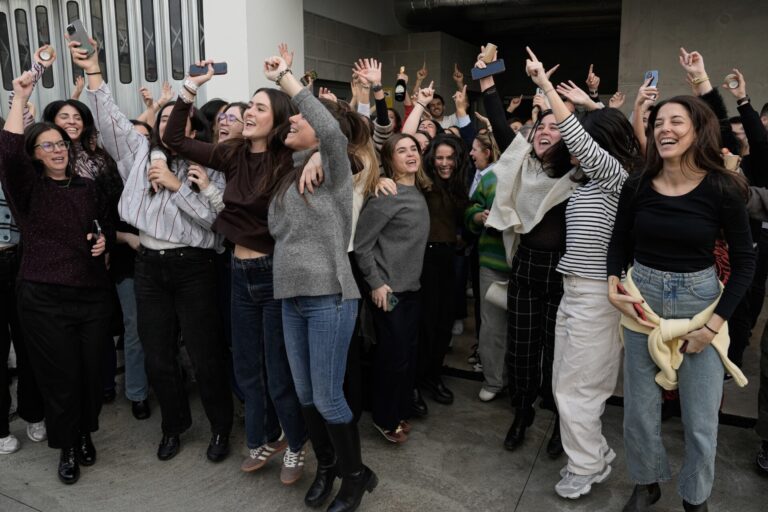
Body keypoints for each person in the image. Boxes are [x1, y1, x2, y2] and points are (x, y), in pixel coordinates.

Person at [71, 38, 234, 463]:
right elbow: (109, 123)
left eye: (175, 123)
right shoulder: (139, 154)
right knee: (157, 352)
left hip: (195, 266)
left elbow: (215, 225)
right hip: (149, 267)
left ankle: (220, 427)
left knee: (205, 353)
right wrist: (93, 70)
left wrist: (181, 187)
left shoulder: (212, 167)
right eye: (161, 121)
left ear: (192, 130)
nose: (165, 128)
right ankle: (174, 426)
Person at [606, 70, 756, 512]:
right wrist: (613, 284)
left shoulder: (722, 188)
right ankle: (646, 481)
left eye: (676, 122)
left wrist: (712, 327)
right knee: (638, 411)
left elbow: (746, 264)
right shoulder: (636, 185)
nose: (664, 129)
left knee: (700, 418)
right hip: (642, 302)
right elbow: (618, 242)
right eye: (658, 123)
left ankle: (695, 496)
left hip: (701, 304)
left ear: (697, 131)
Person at [162, 59, 307, 483]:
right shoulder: (232, 154)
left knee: (278, 372)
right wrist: (191, 85)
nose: (249, 112)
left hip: (275, 273)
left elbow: (341, 146)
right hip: (238, 273)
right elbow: (174, 137)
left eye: (260, 108)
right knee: (246, 368)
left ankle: (296, 445)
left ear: (277, 119)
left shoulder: (290, 160)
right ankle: (261, 440)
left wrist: (288, 82)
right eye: (249, 107)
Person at [524, 48, 643, 498]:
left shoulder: (616, 176)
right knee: (566, 385)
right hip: (573, 291)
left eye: (582, 144)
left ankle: (586, 465)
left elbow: (584, 140)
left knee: (580, 390)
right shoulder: (589, 181)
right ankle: (594, 455)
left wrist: (547, 88)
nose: (572, 151)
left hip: (598, 295)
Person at [264, 52, 380, 511]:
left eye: (300, 116)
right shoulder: (290, 172)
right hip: (290, 299)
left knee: (330, 397)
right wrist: (306, 154)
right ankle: (329, 466)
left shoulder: (336, 168)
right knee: (307, 395)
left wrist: (286, 79)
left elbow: (334, 132)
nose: (291, 120)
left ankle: (354, 476)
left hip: (329, 298)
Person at [1, 70, 113, 484]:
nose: (57, 149)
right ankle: (67, 446)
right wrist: (19, 98)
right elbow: (9, 151)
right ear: (35, 154)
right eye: (46, 145)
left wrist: (104, 244)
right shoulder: (28, 189)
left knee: (88, 372)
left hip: (92, 295)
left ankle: (85, 432)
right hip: (44, 297)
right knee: (61, 376)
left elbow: (101, 226)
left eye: (61, 143)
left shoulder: (87, 186)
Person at [477, 47, 577, 455]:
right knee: (522, 349)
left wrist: (547, 90)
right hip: (525, 268)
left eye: (556, 126)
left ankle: (558, 425)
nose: (544, 130)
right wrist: (486, 77)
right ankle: (522, 413)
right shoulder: (522, 162)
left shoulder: (578, 170)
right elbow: (501, 124)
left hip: (563, 272)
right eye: (540, 126)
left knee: (558, 355)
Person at [465, 131, 507, 402]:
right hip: (493, 263)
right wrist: (479, 216)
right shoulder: (491, 178)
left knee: (524, 328)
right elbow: (470, 211)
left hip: (526, 267)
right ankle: (493, 380)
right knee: (492, 326)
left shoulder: (542, 179)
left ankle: (524, 380)